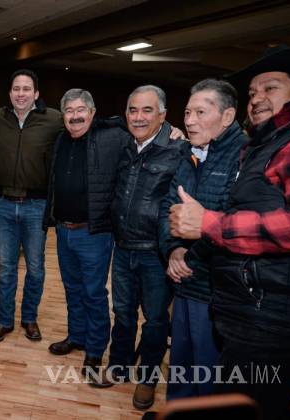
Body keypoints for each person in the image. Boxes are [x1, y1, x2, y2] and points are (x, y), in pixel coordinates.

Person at [170, 46, 290, 419]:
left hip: (273, 316)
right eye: (252, 92)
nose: (258, 98)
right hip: (246, 304)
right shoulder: (263, 146)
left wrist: (207, 226)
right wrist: (176, 248)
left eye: (271, 88)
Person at [99, 85, 187, 410]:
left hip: (155, 253)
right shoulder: (125, 146)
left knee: (155, 321)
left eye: (147, 110)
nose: (138, 117)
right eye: (132, 110)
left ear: (162, 115)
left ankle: (148, 378)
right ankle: (119, 364)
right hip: (123, 247)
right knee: (122, 312)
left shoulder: (178, 150)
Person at [158, 79, 247, 401]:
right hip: (184, 282)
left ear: (227, 116)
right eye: (187, 112)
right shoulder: (190, 153)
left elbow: (232, 219)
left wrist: (188, 258)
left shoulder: (245, 156)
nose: (190, 120)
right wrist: (173, 250)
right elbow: (168, 207)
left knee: (207, 375)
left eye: (200, 112)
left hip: (216, 288)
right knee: (181, 366)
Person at [43, 89, 130, 374]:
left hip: (94, 233)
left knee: (93, 293)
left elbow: (137, 132)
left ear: (92, 113)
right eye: (69, 111)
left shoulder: (109, 138)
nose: (75, 116)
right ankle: (77, 336)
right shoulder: (61, 140)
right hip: (64, 231)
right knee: (72, 289)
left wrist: (171, 132)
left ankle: (94, 349)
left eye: (81, 109)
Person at [0, 69, 62, 344]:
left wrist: (168, 129)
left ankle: (29, 318)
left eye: (26, 89)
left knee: (36, 268)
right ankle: (4, 321)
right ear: (10, 93)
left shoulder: (53, 119)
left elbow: (85, 124)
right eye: (16, 88)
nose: (21, 94)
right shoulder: (0, 117)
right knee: (6, 268)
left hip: (36, 206)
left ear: (36, 93)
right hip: (5, 204)